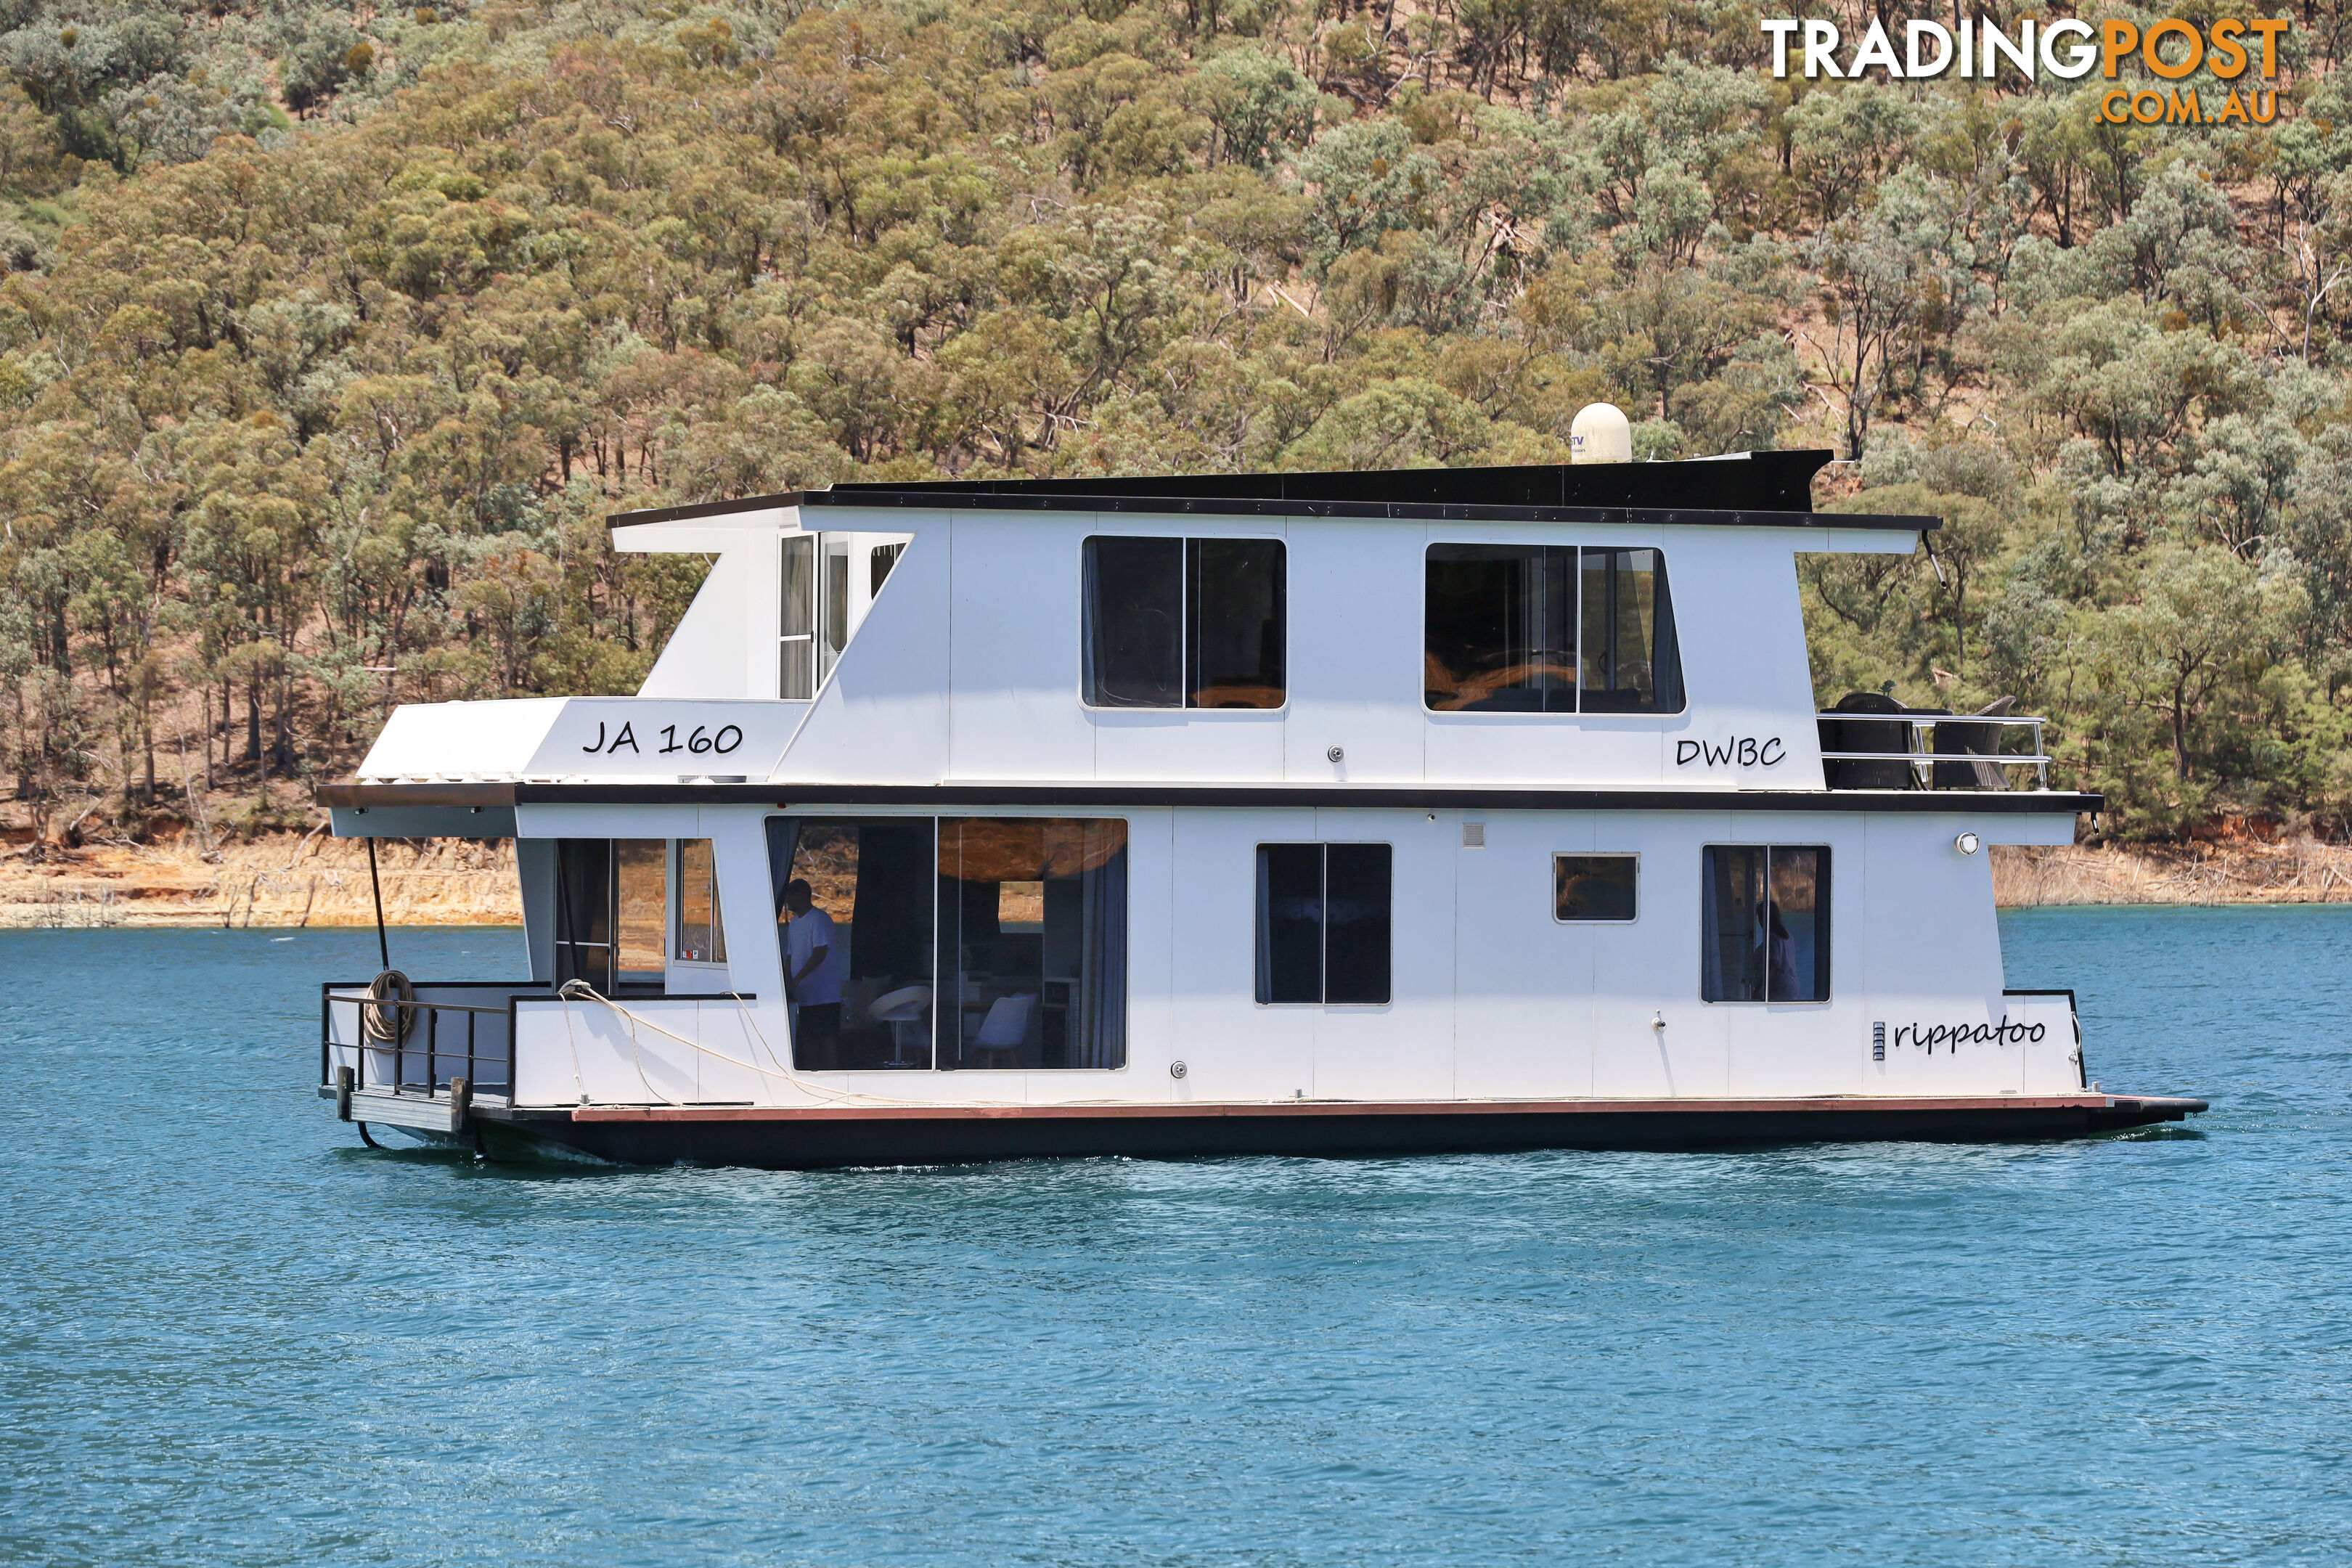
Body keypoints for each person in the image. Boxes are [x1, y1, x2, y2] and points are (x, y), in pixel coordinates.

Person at [782, 878, 841, 1068]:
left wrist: (798, 978)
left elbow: (820, 952)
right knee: (808, 1038)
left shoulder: (819, 919)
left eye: (791, 895)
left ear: (802, 895)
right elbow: (790, 954)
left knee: (827, 1038)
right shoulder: (793, 923)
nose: (788, 900)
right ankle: (810, 1077)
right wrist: (786, 980)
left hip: (824, 996)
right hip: (805, 996)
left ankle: (833, 1079)